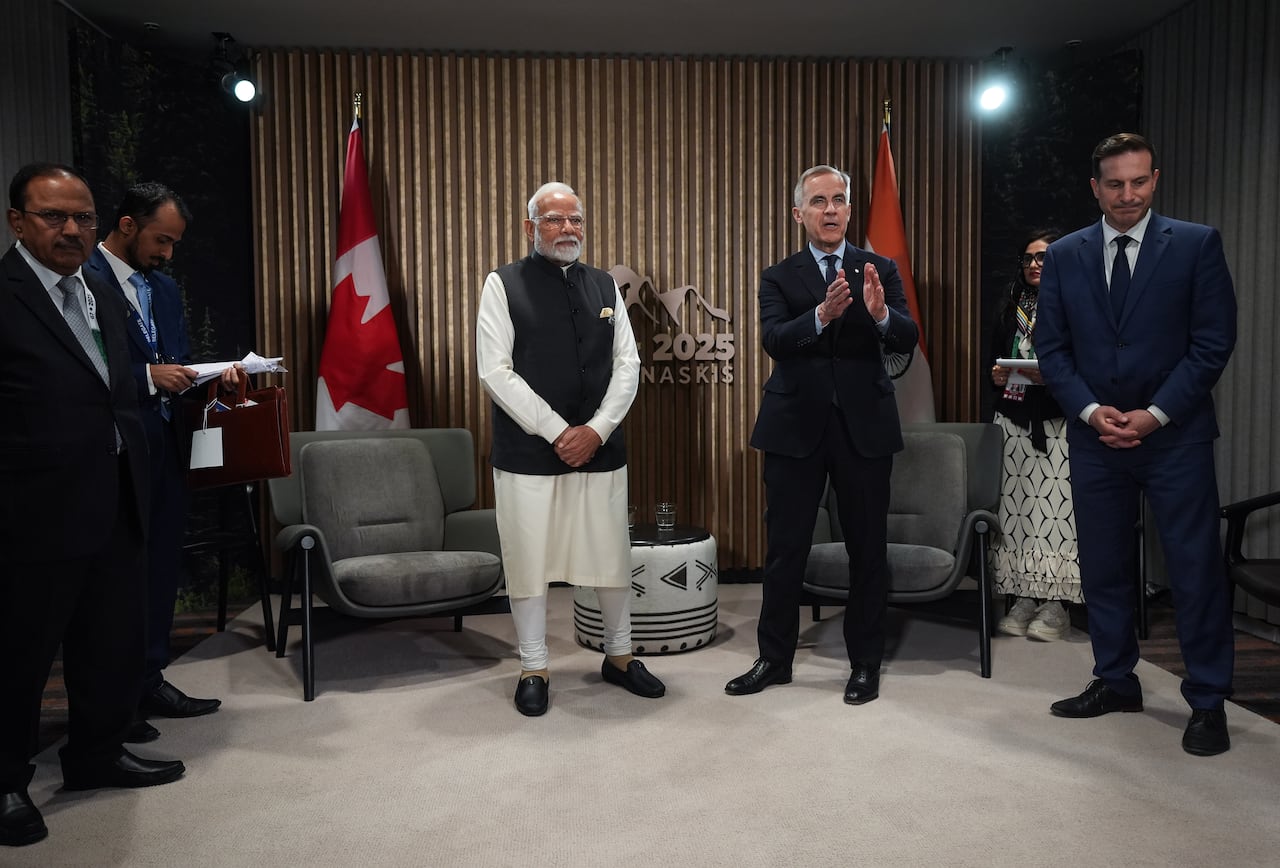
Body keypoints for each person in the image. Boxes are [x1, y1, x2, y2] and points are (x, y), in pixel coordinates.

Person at [1, 164, 185, 848]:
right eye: (53, 216)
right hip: (36, 511)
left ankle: (96, 755)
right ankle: (7, 780)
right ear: (18, 222)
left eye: (81, 216)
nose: (72, 229)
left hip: (117, 496)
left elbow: (119, 391)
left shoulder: (100, 293)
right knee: (21, 654)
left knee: (109, 640)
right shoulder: (8, 294)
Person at [1036, 133, 1237, 756]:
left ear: (1156, 180)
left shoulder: (1197, 244)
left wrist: (1153, 415)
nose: (1128, 195)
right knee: (1104, 567)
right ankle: (1116, 679)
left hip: (1175, 437)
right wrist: (1094, 412)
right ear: (1095, 188)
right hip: (1096, 438)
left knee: (1195, 569)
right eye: (1115, 184)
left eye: (1139, 182)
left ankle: (1207, 701)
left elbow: (1212, 342)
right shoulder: (1065, 255)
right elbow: (1052, 347)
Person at [726, 164, 919, 704]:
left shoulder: (879, 268)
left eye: (838, 200)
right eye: (818, 202)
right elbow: (774, 340)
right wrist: (820, 315)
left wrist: (881, 317)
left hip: (864, 429)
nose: (830, 210)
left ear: (851, 210)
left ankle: (865, 664)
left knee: (867, 550)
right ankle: (774, 659)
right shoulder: (779, 276)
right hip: (794, 429)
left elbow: (908, 334)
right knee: (786, 550)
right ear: (799, 214)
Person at [476, 181, 665, 717]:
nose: (567, 230)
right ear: (530, 226)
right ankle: (533, 665)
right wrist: (560, 431)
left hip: (601, 449)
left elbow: (628, 365)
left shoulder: (604, 285)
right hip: (529, 454)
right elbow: (495, 371)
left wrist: (597, 430)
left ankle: (620, 656)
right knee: (529, 561)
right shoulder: (502, 283)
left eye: (575, 220)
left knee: (610, 556)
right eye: (555, 220)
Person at [86, 183, 239, 738]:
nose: (167, 254)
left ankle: (150, 677)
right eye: (161, 240)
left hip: (169, 448)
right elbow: (76, 371)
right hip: (112, 453)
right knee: (117, 579)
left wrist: (212, 376)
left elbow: (178, 360)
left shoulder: (165, 290)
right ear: (127, 225)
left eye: (174, 244)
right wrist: (146, 377)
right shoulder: (81, 281)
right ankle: (115, 698)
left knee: (159, 571)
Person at [988, 229, 1083, 642]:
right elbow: (995, 352)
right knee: (1016, 511)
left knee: (1056, 514)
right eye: (1028, 259)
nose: (1033, 266)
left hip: (1058, 421)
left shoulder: (1077, 302)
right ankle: (1023, 596)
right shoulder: (1012, 303)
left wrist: (1054, 376)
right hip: (1012, 417)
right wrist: (995, 375)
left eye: (1042, 258)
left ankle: (1056, 605)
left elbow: (1088, 363)